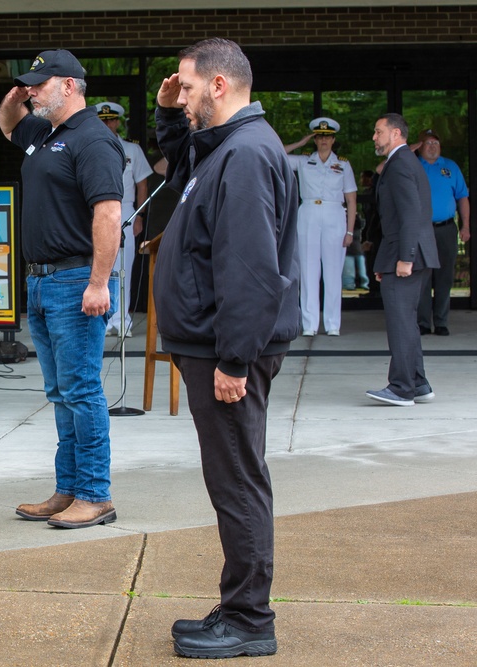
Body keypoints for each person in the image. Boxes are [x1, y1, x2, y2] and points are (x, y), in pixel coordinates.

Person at [153, 38, 299, 659]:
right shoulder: (227, 147)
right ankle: (241, 606)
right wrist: (166, 112)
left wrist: (234, 361)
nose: (180, 98)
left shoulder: (245, 156)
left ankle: (248, 619)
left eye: (186, 88)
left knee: (237, 481)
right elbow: (182, 158)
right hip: (213, 345)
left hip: (226, 352)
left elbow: (250, 270)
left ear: (218, 86)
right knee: (233, 478)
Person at [0, 49, 124, 529]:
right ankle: (68, 489)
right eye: (30, 85)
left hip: (75, 281)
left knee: (82, 390)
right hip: (41, 280)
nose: (33, 91)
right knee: (60, 392)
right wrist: (18, 93)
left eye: (41, 84)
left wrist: (98, 282)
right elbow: (9, 125)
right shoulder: (45, 133)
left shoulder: (92, 139)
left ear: (69, 85)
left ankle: (95, 494)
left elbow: (107, 213)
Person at [367, 113, 439, 406]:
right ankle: (418, 384)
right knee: (407, 323)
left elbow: (410, 215)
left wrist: (405, 258)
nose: (374, 137)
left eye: (378, 131)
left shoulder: (398, 165)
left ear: (396, 134)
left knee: (400, 323)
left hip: (408, 255)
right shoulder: (404, 163)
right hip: (408, 253)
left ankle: (401, 388)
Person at [283, 118, 357, 336]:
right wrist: (299, 142)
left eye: (327, 137)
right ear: (314, 139)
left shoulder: (343, 164)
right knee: (308, 271)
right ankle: (310, 324)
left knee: (333, 272)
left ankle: (333, 324)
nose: (323, 140)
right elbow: (277, 153)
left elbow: (351, 200)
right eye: (319, 136)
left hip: (335, 214)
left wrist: (350, 231)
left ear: (333, 139)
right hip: (308, 213)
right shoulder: (304, 160)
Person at [96, 101, 153, 337]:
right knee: (100, 268)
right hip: (97, 212)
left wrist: (139, 214)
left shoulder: (132, 150)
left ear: (117, 122)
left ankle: (122, 319)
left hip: (126, 210)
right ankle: (103, 319)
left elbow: (142, 184)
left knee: (124, 268)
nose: (107, 125)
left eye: (110, 120)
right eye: (103, 121)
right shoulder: (90, 148)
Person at [407, 128, 471, 336]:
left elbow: (462, 198)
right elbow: (384, 168)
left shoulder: (450, 167)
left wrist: (465, 226)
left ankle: (441, 322)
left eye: (436, 143)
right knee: (423, 276)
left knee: (445, 276)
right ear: (420, 146)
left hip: (446, 228)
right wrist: (409, 151)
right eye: (428, 143)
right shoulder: (413, 164)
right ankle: (424, 322)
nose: (433, 147)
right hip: (422, 229)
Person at [343, 171, 373, 291]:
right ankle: (353, 285)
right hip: (353, 246)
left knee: (361, 269)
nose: (361, 181)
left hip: (356, 245)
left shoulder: (371, 194)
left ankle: (365, 285)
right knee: (353, 269)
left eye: (363, 178)